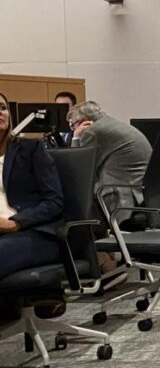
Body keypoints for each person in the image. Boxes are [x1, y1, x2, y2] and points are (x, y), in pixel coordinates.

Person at [0, 92, 65, 284]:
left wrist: (15, 222)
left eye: (3, 108)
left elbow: (54, 202)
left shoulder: (31, 149)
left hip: (32, 231)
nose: (0, 112)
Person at [67, 101, 152, 232]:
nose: (72, 129)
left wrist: (75, 137)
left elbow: (79, 170)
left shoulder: (92, 132)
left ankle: (90, 250)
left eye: (73, 125)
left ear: (85, 121)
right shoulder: (110, 124)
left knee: (69, 205)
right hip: (140, 192)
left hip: (120, 196)